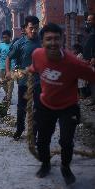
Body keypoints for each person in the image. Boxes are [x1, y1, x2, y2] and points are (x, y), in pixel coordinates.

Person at [29, 23, 95, 185]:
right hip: (45, 104)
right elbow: (34, 68)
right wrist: (24, 73)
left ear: (63, 40)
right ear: (42, 42)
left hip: (68, 107)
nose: (53, 43)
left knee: (66, 141)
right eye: (48, 39)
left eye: (56, 39)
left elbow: (92, 76)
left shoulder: (74, 63)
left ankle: (66, 167)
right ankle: (45, 164)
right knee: (42, 141)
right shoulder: (37, 54)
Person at [5, 16, 41, 141]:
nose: (34, 31)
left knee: (37, 109)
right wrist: (8, 72)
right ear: (25, 29)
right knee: (22, 108)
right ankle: (20, 129)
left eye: (36, 28)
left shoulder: (42, 42)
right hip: (24, 82)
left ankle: (34, 134)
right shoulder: (19, 43)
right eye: (31, 28)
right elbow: (9, 57)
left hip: (39, 82)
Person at [0, 30, 15, 101]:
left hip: (11, 67)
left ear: (10, 37)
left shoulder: (13, 45)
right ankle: (7, 94)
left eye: (6, 37)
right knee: (3, 82)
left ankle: (8, 98)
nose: (4, 39)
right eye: (3, 37)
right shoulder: (1, 45)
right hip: (3, 67)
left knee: (11, 83)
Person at [83, 13, 95, 107]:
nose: (88, 21)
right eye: (88, 20)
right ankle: (93, 98)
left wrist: (93, 57)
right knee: (91, 80)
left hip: (93, 60)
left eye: (90, 20)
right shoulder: (90, 30)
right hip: (89, 60)